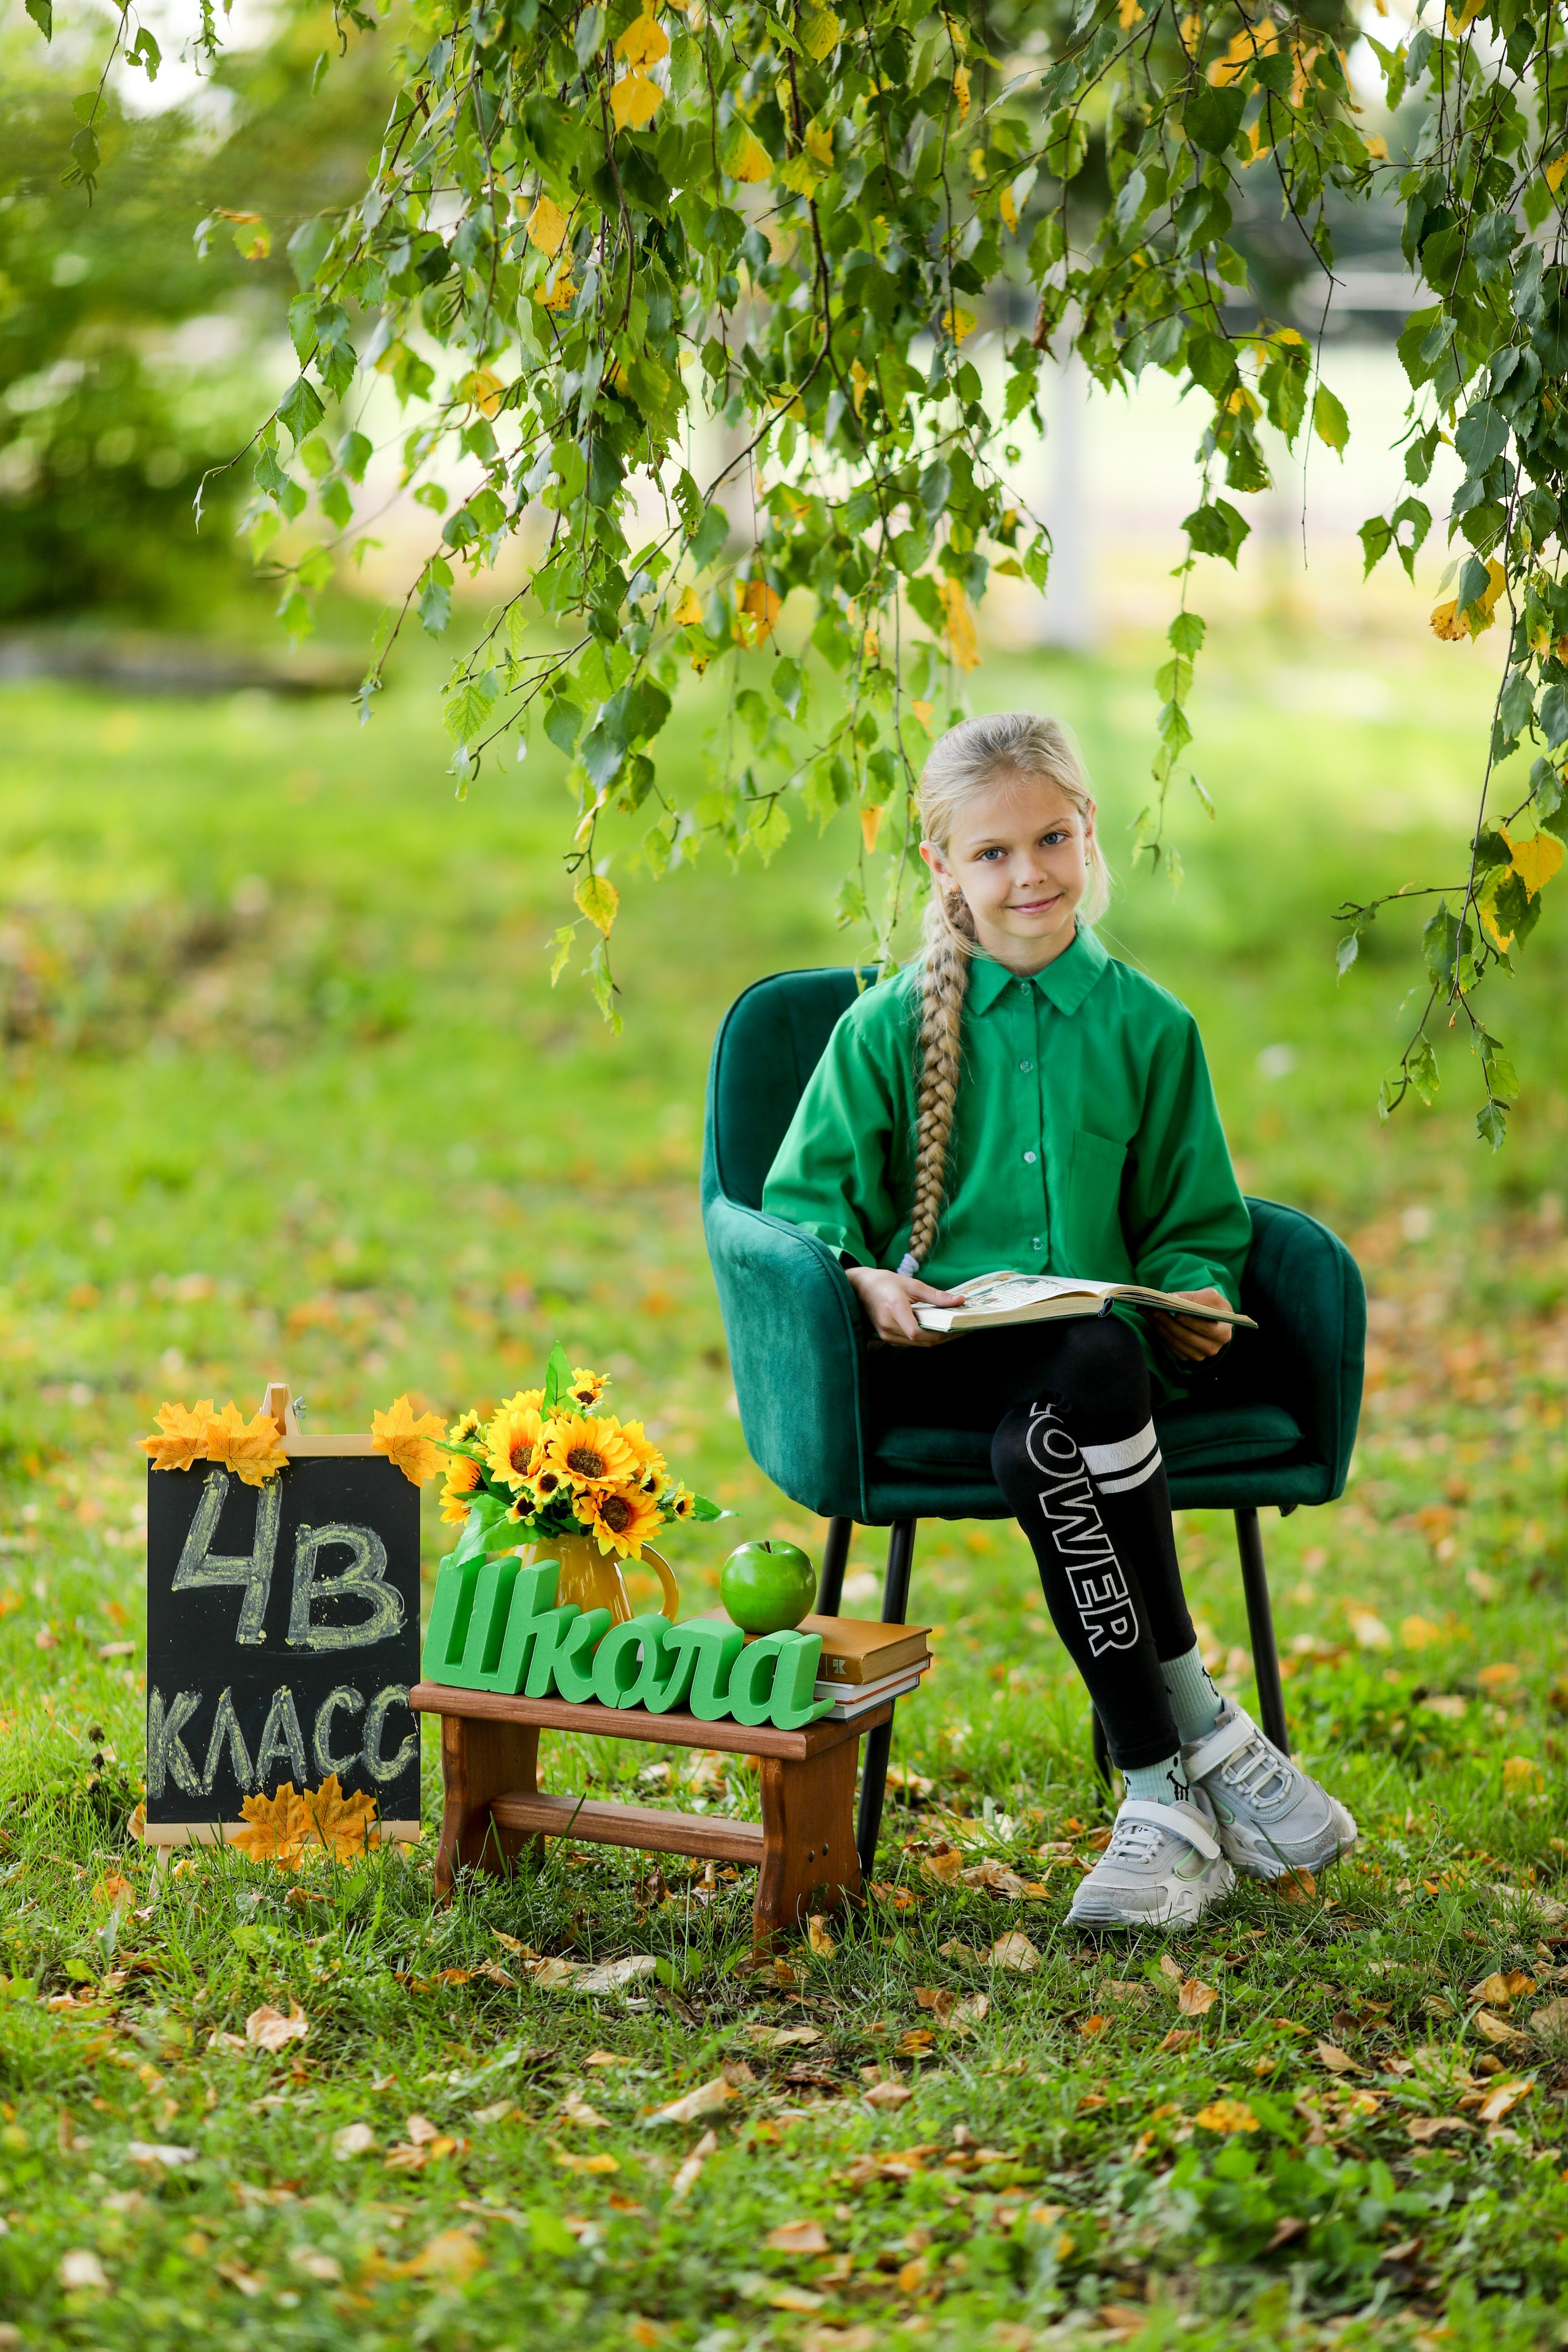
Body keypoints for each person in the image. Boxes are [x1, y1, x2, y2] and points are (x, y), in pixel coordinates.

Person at [763, 710, 1355, 1929]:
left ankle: (1154, 1792)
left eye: (1050, 839)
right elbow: (801, 1214)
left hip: (1092, 1380)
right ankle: (1202, 1723)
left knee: (1061, 1395)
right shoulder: (882, 1032)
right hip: (930, 1361)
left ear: (1089, 835)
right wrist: (864, 1281)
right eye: (990, 853)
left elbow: (1195, 1219)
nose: (1025, 874)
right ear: (940, 867)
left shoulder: (1151, 1029)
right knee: (1068, 1375)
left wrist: (1196, 1291)